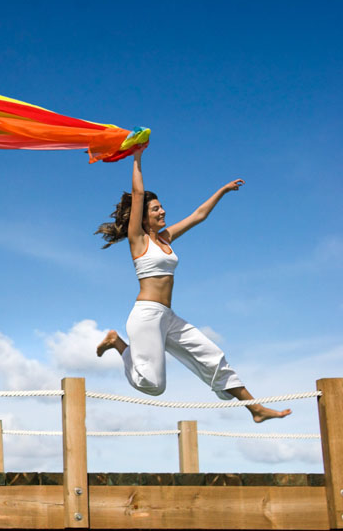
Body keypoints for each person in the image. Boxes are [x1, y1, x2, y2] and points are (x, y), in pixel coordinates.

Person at [93, 148, 290, 423]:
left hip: (168, 316)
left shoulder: (165, 238)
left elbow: (198, 215)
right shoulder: (137, 239)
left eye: (161, 206)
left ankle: (255, 409)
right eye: (155, 209)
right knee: (153, 385)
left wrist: (222, 190)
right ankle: (118, 343)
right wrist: (137, 157)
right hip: (147, 316)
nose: (162, 211)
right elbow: (138, 194)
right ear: (143, 217)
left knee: (212, 355)